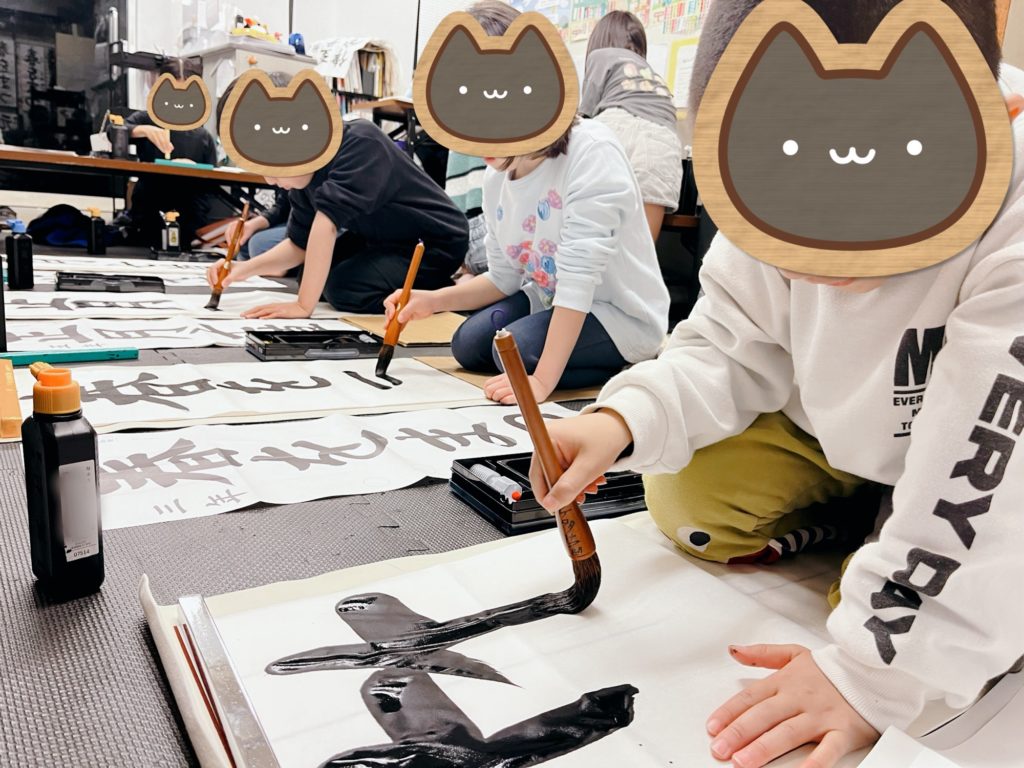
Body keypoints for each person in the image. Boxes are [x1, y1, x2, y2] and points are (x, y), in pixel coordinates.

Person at [528, 1, 1024, 766]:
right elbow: (726, 342)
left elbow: (993, 461)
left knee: (912, 630)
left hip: (987, 448)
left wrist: (870, 678)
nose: (823, 249)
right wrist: (620, 421)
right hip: (847, 435)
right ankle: (869, 517)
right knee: (688, 499)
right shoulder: (765, 156)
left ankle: (893, 540)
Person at [385, 0, 669, 405]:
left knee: (517, 352)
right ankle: (544, 358)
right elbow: (504, 277)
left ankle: (630, 362)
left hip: (619, 314)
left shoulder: (592, 151)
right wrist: (431, 300)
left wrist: (541, 382)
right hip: (550, 298)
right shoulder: (496, 177)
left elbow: (578, 280)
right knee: (468, 345)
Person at [207, 116, 469, 317]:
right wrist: (242, 269)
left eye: (273, 168)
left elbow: (326, 225)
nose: (270, 181)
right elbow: (299, 245)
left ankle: (438, 293)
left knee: (343, 289)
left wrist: (303, 306)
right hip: (385, 238)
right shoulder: (303, 180)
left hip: (434, 242)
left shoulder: (360, 142)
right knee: (310, 278)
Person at [580, 10, 683, 241]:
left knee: (593, 227)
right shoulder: (651, 75)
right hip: (664, 139)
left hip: (617, 124)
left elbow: (585, 112)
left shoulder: (600, 56)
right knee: (643, 246)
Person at [113, 58, 221, 249]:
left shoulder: (202, 135)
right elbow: (113, 130)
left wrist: (195, 170)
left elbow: (213, 182)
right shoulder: (147, 119)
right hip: (149, 207)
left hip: (190, 213)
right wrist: (143, 130)